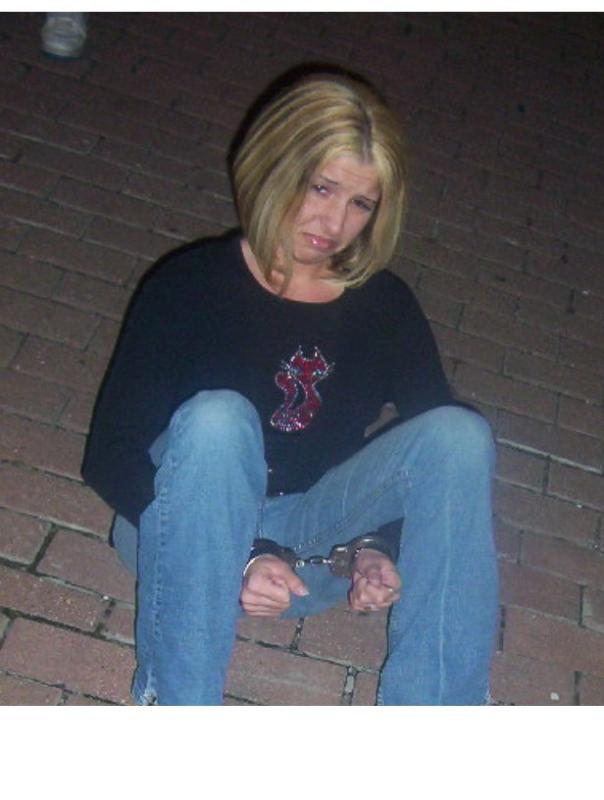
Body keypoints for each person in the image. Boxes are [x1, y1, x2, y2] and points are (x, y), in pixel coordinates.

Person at [82, 68, 499, 705]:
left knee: (459, 436)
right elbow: (109, 455)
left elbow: (429, 466)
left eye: (360, 204)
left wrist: (376, 545)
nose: (334, 222)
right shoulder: (191, 283)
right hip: (185, 538)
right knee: (218, 419)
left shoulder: (383, 305)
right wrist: (243, 553)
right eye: (322, 187)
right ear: (278, 168)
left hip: (309, 557)